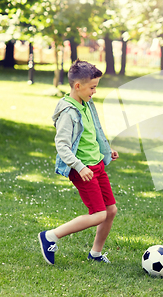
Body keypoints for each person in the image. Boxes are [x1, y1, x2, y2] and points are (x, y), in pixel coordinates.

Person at [38, 60, 119, 265]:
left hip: (97, 166)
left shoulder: (87, 104)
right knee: (99, 214)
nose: (94, 91)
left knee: (110, 211)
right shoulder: (68, 112)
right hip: (83, 169)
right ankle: (50, 236)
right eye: (92, 87)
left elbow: (93, 133)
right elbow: (62, 145)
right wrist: (80, 166)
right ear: (78, 86)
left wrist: (106, 151)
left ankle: (95, 254)